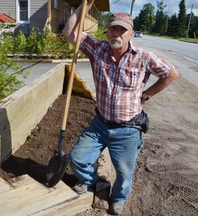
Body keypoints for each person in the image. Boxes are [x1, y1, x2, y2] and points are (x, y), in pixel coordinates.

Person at [62, 0, 179, 215]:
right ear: (107, 31)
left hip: (128, 129)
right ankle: (96, 182)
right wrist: (85, 6)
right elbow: (70, 31)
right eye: (113, 28)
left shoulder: (143, 57)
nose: (117, 33)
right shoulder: (97, 49)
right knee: (77, 158)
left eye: (122, 30)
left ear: (131, 33)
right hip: (100, 124)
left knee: (124, 172)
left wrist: (147, 94)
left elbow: (171, 74)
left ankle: (118, 198)